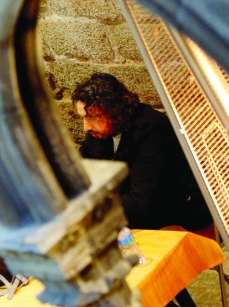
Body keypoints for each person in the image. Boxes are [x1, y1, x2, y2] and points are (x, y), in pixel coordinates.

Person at [73, 73, 211, 231]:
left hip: (173, 216)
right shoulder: (100, 130)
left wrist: (90, 209)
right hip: (132, 212)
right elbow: (79, 169)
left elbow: (139, 203)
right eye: (83, 117)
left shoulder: (151, 131)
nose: (86, 126)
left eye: (92, 117)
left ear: (114, 111)